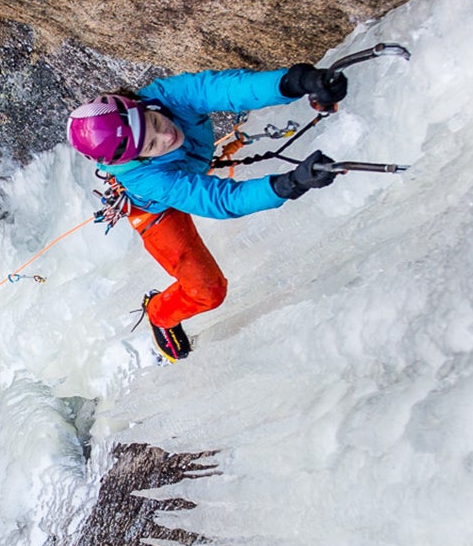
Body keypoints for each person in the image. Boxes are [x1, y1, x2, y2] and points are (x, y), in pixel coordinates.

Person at [69, 64, 350, 362]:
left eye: (154, 121)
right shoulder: (145, 178)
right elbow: (219, 200)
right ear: (136, 159)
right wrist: (289, 184)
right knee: (208, 291)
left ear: (141, 105)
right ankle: (159, 314)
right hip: (154, 212)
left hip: (185, 171)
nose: (166, 135)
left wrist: (296, 81)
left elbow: (230, 89)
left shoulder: (166, 97)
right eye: (151, 144)